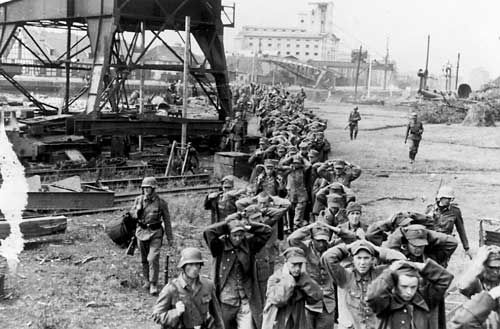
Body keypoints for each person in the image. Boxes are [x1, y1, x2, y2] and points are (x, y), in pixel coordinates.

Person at [203, 215, 272, 329]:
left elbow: (267, 231)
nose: (237, 238)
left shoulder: (249, 245)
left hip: (245, 298)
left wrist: (248, 226)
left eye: (240, 235)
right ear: (228, 234)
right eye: (234, 235)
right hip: (226, 299)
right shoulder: (219, 246)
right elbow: (208, 232)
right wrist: (228, 225)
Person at [320, 240, 406, 329]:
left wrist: (377, 249)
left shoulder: (381, 274)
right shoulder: (344, 276)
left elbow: (402, 261)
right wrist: (348, 247)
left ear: (373, 260)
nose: (362, 263)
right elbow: (327, 257)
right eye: (359, 258)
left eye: (366, 258)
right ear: (353, 259)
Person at [366, 259, 453, 329]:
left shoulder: (425, 300)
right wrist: (390, 271)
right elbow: (373, 296)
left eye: (413, 287)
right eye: (404, 286)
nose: (409, 292)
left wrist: (418, 265)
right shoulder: (385, 303)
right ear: (395, 285)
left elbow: (445, 278)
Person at [152, 247, 224, 329]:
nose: (195, 268)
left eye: (197, 264)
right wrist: (176, 312)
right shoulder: (171, 289)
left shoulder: (208, 285)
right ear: (183, 266)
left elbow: (217, 315)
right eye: (190, 264)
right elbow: (156, 316)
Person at [287, 224, 337, 329]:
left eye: (324, 240)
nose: (322, 244)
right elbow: (291, 239)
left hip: (327, 303)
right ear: (312, 238)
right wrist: (310, 227)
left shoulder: (332, 249)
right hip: (308, 302)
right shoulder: (305, 248)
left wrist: (331, 227)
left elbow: (351, 239)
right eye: (318, 240)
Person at [130, 177, 174, 295]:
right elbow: (131, 215)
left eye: (148, 188)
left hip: (155, 233)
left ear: (153, 188)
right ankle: (147, 281)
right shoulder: (138, 200)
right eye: (144, 188)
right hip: (141, 232)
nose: (146, 190)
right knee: (144, 259)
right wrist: (137, 211)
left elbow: (167, 221)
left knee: (153, 258)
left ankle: (153, 283)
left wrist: (170, 238)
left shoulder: (161, 202)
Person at [262, 247, 323, 329]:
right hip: (278, 322)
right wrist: (288, 279)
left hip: (297, 322)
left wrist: (305, 280)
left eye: (300, 264)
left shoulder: (303, 279)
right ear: (285, 263)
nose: (297, 268)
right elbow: (279, 300)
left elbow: (316, 297)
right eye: (294, 265)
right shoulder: (275, 279)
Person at [454, 245, 500, 328]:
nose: (496, 272)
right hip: (479, 322)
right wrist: (477, 263)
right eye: (491, 268)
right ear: (483, 266)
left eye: (498, 268)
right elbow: (463, 287)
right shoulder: (476, 280)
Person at [426, 185, 471, 258]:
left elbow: (461, 230)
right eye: (446, 198)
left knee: (441, 265)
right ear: (440, 198)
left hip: (445, 243)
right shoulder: (430, 209)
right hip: (432, 242)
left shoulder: (455, 211)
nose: (448, 201)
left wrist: (466, 248)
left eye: (450, 198)